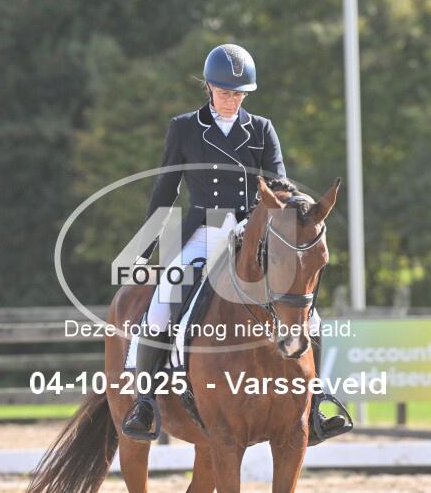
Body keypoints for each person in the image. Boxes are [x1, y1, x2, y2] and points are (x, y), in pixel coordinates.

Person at [121, 44, 343, 444]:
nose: (232, 100)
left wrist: (295, 206)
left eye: (240, 94)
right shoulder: (184, 128)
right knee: (164, 299)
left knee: (308, 314)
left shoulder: (261, 129)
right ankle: (145, 401)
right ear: (209, 87)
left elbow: (278, 182)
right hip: (203, 230)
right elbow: (165, 191)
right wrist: (144, 247)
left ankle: (316, 399)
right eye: (226, 92)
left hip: (250, 231)